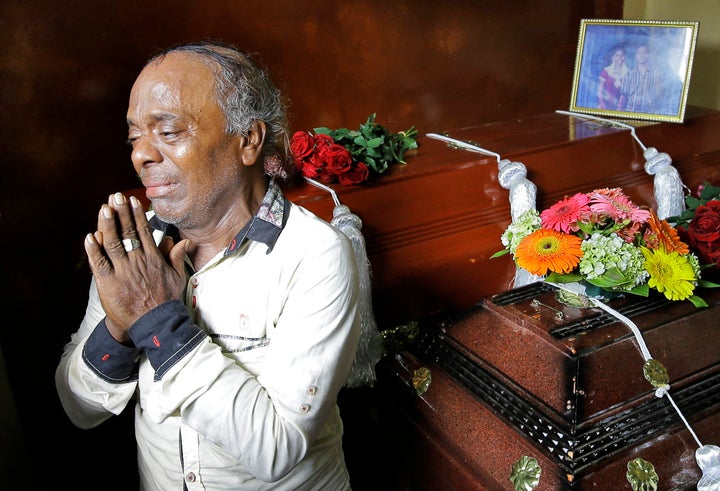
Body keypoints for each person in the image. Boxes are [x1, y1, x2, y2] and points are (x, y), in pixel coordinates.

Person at [55, 41, 362, 490]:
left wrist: (157, 320)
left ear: (248, 141)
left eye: (169, 131)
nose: (141, 155)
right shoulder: (137, 250)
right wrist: (119, 330)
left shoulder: (316, 254)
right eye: (135, 136)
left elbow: (277, 448)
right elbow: (78, 409)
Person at [619, 43, 664, 113]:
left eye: (645, 52)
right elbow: (623, 97)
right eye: (639, 53)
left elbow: (659, 96)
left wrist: (655, 111)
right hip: (630, 112)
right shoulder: (628, 75)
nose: (642, 55)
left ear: (649, 55)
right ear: (636, 56)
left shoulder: (656, 74)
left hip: (648, 113)